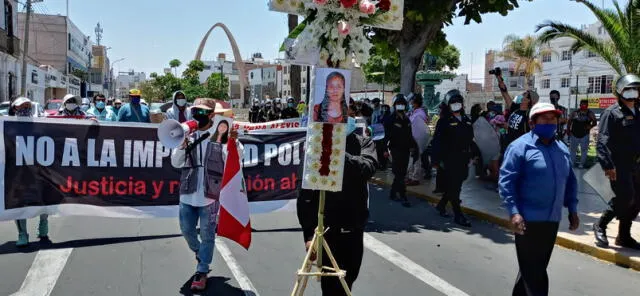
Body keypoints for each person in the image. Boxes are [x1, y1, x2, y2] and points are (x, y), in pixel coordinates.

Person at [499, 102, 579, 296]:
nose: (550, 122)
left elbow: (570, 181)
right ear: (532, 123)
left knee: (535, 268)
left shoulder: (561, 148)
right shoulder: (519, 147)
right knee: (534, 274)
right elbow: (506, 182)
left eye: (553, 118)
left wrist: (573, 209)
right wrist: (514, 213)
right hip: (527, 220)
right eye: (544, 118)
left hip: (551, 220)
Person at [297, 110, 378, 296]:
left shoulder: (363, 142)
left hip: (353, 230)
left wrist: (339, 153)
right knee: (331, 285)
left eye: (345, 112)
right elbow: (305, 194)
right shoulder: (315, 147)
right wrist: (309, 235)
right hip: (327, 232)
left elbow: (367, 169)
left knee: (348, 281)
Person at [171, 98, 241, 291]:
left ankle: (202, 270)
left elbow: (235, 158)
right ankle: (200, 253)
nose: (197, 115)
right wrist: (181, 147)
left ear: (211, 115)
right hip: (188, 191)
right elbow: (175, 163)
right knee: (187, 230)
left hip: (210, 193)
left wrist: (234, 142)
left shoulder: (221, 133)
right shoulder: (186, 133)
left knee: (208, 234)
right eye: (195, 111)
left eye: (202, 112)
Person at [593, 74, 640, 250]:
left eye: (636, 89)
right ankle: (600, 225)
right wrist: (607, 165)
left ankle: (624, 236)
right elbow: (602, 140)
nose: (633, 92)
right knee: (625, 197)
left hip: (636, 164)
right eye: (629, 89)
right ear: (620, 91)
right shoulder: (612, 112)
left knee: (637, 201)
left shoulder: (638, 112)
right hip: (619, 164)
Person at [9, 97, 50, 247]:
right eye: (21, 107)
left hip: (39, 172)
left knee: (43, 200)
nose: (25, 109)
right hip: (17, 173)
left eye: (27, 106)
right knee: (19, 203)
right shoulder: (8, 127)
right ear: (15, 109)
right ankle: (22, 233)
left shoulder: (41, 125)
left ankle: (44, 224)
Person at [431, 90, 475, 227]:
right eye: (453, 103)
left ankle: (441, 205)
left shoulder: (467, 120)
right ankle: (458, 215)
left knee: (456, 185)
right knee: (455, 188)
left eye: (458, 102)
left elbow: (471, 140)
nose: (456, 105)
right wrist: (436, 161)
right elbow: (437, 142)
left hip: (463, 158)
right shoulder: (444, 121)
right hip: (449, 159)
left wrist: (474, 155)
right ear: (449, 105)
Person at [385, 94, 413, 207]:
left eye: (402, 104)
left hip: (405, 149)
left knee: (401, 173)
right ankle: (403, 195)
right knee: (399, 173)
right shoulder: (390, 119)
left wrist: (413, 147)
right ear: (395, 105)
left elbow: (409, 135)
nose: (400, 106)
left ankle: (393, 193)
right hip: (395, 149)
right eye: (398, 104)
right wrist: (384, 149)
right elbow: (385, 136)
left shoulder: (406, 119)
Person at [406, 94, 429, 186]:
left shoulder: (419, 114)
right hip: (412, 139)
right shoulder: (414, 112)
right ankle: (411, 177)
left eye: (412, 102)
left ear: (415, 103)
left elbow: (419, 128)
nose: (411, 103)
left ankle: (415, 178)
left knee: (416, 159)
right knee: (412, 159)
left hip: (416, 140)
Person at [567, 99, 597, 169]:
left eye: (585, 105)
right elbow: (569, 121)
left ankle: (581, 164)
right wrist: (568, 130)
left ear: (587, 105)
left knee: (584, 150)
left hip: (585, 135)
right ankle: (572, 163)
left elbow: (595, 122)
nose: (583, 106)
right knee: (572, 150)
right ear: (580, 105)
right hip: (574, 134)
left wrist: (590, 126)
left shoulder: (590, 113)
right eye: (582, 104)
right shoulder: (575, 112)